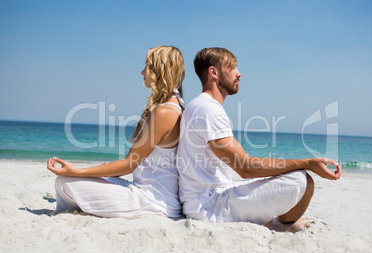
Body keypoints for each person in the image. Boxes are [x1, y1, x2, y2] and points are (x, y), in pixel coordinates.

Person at [177, 47, 341, 232]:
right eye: (232, 68)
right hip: (209, 208)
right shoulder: (208, 109)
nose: (239, 74)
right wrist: (307, 163)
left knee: (294, 177)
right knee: (302, 181)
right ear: (213, 72)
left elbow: (242, 163)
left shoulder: (200, 105)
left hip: (208, 199)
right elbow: (245, 168)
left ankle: (278, 222)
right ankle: (278, 226)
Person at [47, 46, 185, 218]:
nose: (142, 72)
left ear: (160, 70)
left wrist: (77, 171)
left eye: (147, 66)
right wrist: (105, 172)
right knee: (73, 180)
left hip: (153, 201)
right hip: (151, 195)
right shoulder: (175, 107)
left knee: (65, 181)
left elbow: (130, 164)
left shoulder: (164, 112)